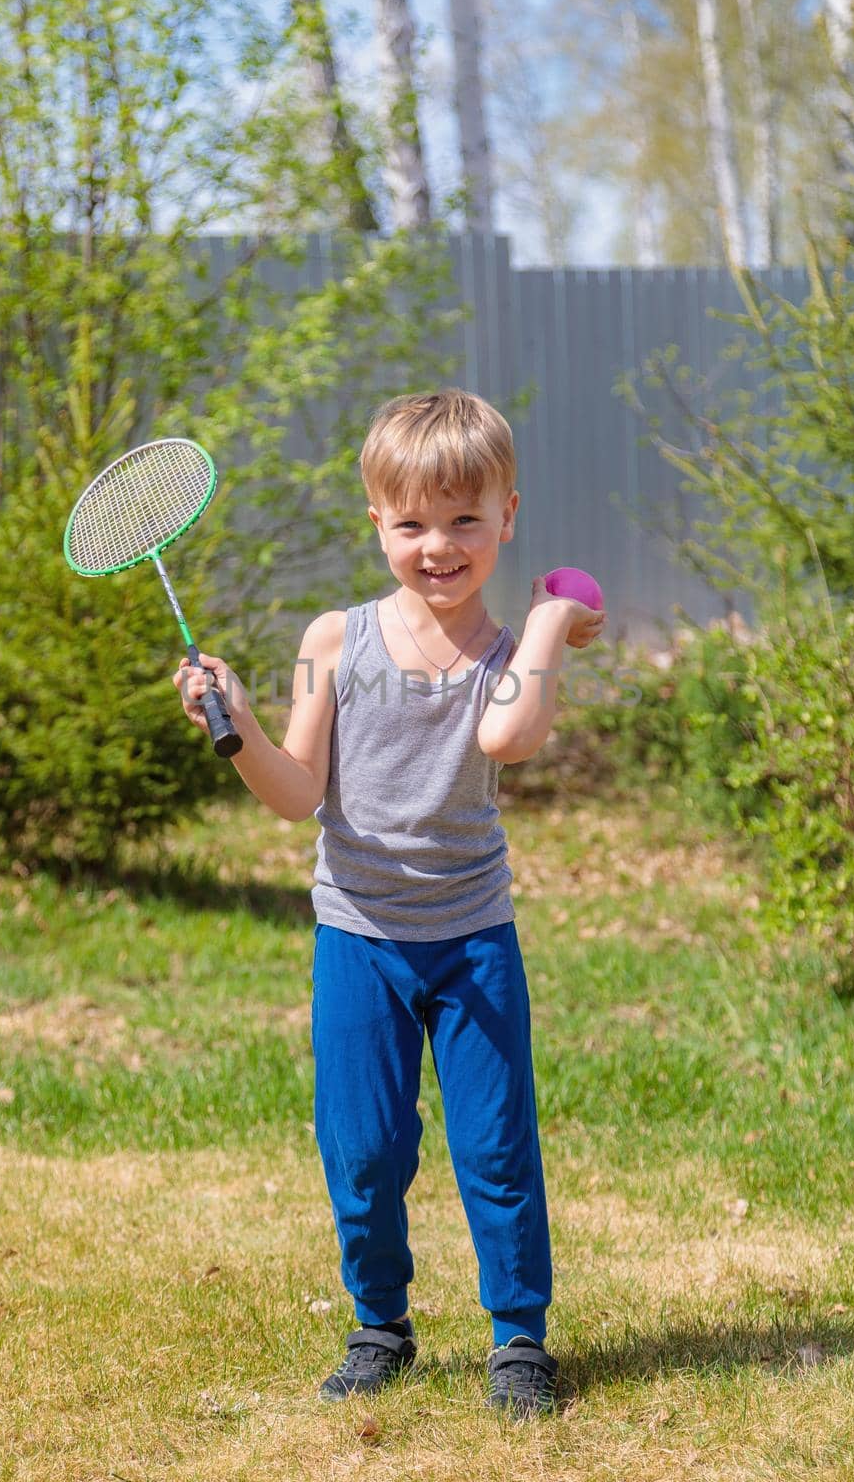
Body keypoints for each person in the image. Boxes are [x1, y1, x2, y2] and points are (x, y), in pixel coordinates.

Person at [174, 388, 605, 1419]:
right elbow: (293, 794)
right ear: (376, 521)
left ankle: (518, 1340)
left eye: (465, 520)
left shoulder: (511, 657)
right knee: (362, 1145)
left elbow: (506, 739)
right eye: (409, 522)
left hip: (471, 942)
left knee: (496, 1145)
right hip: (358, 937)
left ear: (507, 516)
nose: (437, 546)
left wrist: (547, 617)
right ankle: (380, 1324)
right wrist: (229, 726)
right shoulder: (333, 639)